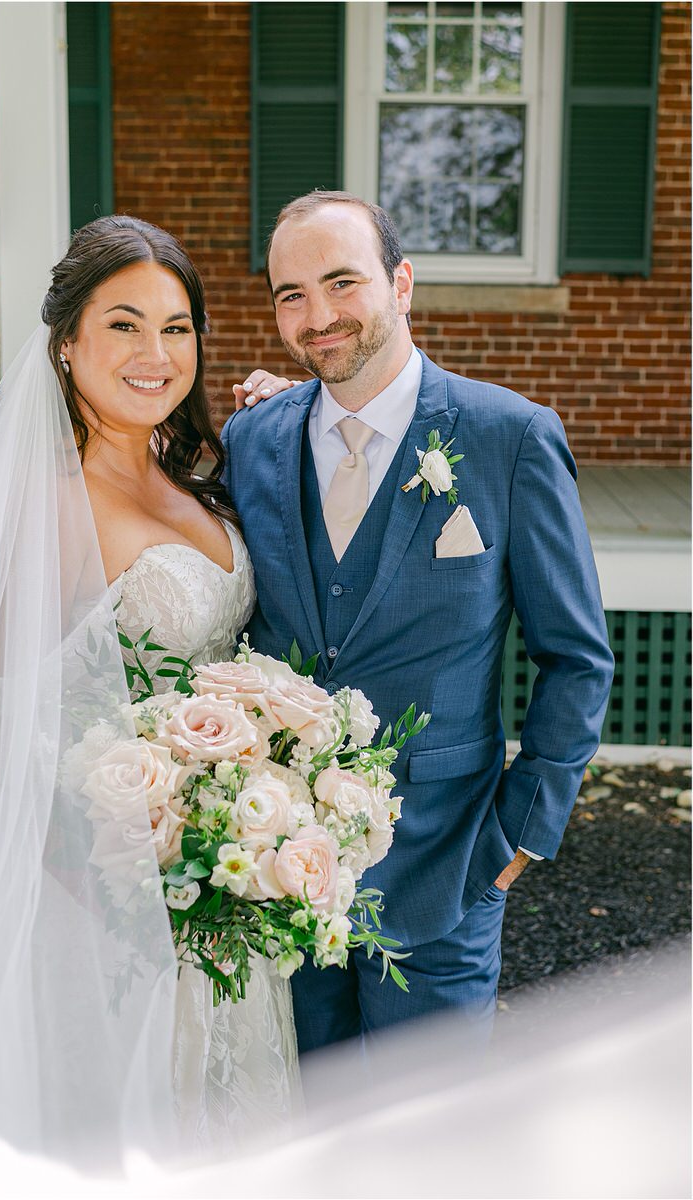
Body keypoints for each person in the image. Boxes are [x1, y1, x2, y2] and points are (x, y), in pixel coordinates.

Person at [0, 215, 299, 1197]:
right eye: (123, 325)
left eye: (176, 326)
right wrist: (125, 882)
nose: (154, 354)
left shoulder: (201, 474)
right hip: (101, 909)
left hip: (220, 888)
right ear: (67, 341)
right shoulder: (45, 506)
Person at [222, 191, 615, 1055]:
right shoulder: (252, 439)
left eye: (341, 283)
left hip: (447, 865)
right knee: (307, 1131)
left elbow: (577, 656)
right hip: (282, 870)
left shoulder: (509, 438)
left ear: (401, 283)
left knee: (431, 1144)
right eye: (290, 294)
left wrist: (522, 834)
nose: (317, 317)